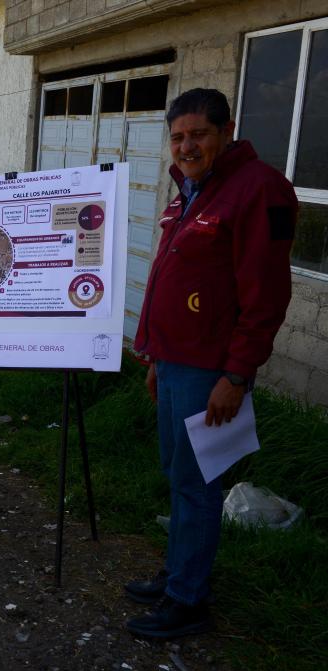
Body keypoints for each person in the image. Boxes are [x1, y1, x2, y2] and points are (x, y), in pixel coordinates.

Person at [128, 88, 296, 639]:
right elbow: (174, 279)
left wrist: (237, 375)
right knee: (178, 476)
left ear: (226, 131)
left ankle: (187, 603)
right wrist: (156, 356)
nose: (187, 145)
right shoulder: (189, 191)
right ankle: (179, 573)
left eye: (198, 134)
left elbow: (265, 295)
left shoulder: (258, 189)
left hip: (212, 371)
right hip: (176, 363)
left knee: (199, 485)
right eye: (177, 137)